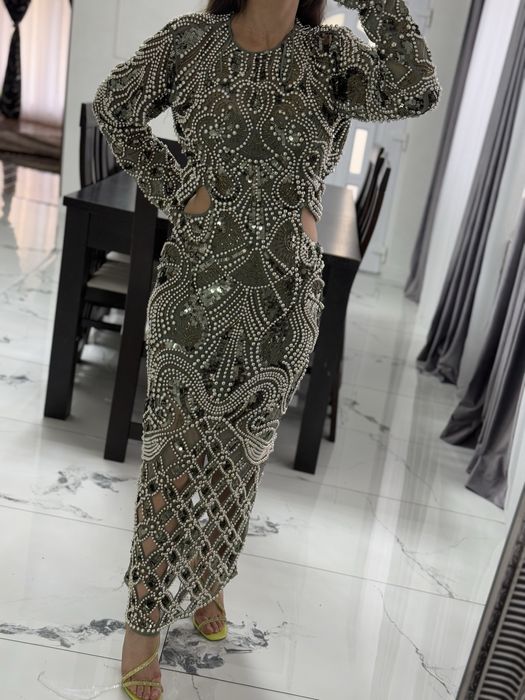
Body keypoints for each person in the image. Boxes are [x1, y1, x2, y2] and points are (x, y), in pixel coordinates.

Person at [92, 0, 441, 697]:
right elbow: (114, 108)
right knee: (172, 458)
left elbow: (415, 90)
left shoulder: (332, 56)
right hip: (195, 286)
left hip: (284, 296)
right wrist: (176, 188)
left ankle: (208, 576)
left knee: (238, 463)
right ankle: (143, 618)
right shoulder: (190, 41)